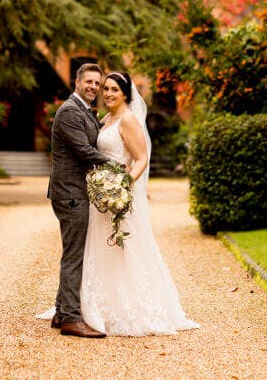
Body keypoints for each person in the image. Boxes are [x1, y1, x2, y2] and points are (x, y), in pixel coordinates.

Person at [80, 71, 199, 336]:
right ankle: (100, 303)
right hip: (102, 194)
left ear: (125, 94)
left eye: (114, 90)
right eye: (106, 89)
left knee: (126, 248)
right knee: (102, 248)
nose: (108, 94)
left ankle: (131, 307)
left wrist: (123, 184)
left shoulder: (128, 119)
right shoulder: (106, 119)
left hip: (119, 192)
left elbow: (141, 158)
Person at [46, 63, 110, 338]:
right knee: (74, 255)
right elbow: (84, 151)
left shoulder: (84, 110)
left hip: (75, 191)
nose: (94, 87)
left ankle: (62, 311)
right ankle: (72, 318)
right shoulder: (70, 111)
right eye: (89, 82)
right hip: (70, 193)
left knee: (75, 252)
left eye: (97, 83)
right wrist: (115, 163)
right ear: (77, 81)